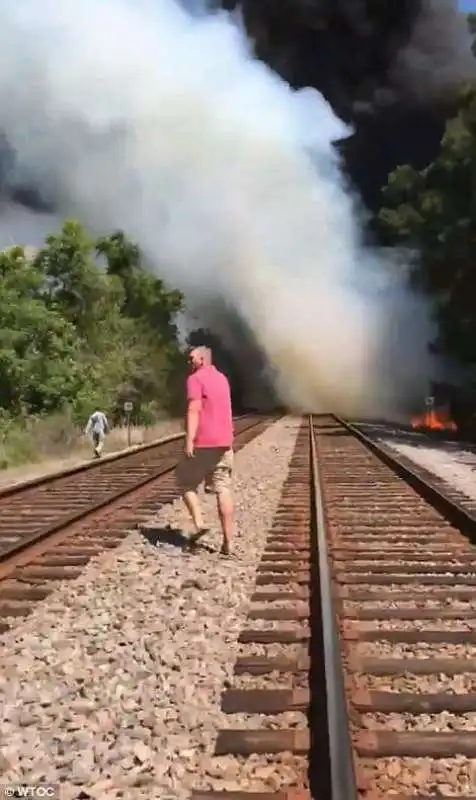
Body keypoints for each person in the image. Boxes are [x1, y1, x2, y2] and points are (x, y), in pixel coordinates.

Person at [176, 345, 234, 556]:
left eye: (192, 358)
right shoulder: (222, 379)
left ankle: (200, 524)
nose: (188, 362)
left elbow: (194, 409)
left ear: (202, 359)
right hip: (224, 443)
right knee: (223, 488)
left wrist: (189, 439)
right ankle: (228, 542)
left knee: (184, 481)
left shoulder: (195, 379)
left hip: (203, 443)